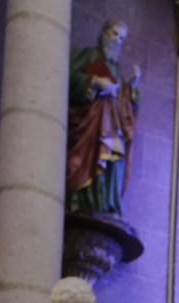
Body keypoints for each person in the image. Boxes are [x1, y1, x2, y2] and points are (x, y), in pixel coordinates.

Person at [66, 19, 140, 216]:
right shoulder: (89, 55)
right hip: (91, 124)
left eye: (122, 38)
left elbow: (123, 101)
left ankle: (108, 201)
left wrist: (131, 88)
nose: (117, 41)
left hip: (112, 125)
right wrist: (95, 81)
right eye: (115, 34)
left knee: (113, 160)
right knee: (93, 157)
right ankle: (88, 198)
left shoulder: (117, 70)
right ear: (104, 33)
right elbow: (66, 75)